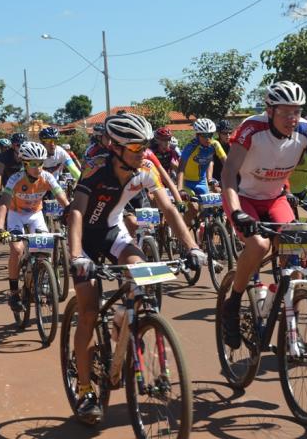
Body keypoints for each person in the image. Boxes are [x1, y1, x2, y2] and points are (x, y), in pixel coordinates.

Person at [67, 112, 205, 424]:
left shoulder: (144, 168)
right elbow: (76, 211)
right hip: (85, 240)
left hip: (113, 232)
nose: (141, 152)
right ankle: (86, 388)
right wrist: (77, 256)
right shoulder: (95, 168)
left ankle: (124, 322)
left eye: (143, 146)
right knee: (88, 311)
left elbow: (167, 207)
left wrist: (192, 246)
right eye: (133, 148)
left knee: (139, 275)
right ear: (114, 147)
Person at [219, 80, 307, 349]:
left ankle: (285, 310)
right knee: (259, 244)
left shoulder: (305, 131)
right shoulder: (252, 128)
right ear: (270, 110)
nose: (292, 118)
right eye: (285, 112)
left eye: (296, 111)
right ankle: (234, 301)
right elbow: (228, 173)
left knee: (297, 255)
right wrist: (237, 212)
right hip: (245, 198)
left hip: (275, 198)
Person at [0, 142, 69, 311]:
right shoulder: (15, 179)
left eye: (41, 163)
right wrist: (0, 228)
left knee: (43, 249)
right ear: (25, 164)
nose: (38, 167)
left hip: (36, 214)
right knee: (17, 249)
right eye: (34, 164)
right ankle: (14, 293)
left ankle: (43, 278)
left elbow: (62, 199)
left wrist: (71, 214)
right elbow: (4, 203)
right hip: (16, 215)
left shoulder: (47, 177)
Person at [178, 118, 227, 224]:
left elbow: (227, 164)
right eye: (204, 135)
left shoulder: (215, 145)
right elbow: (180, 169)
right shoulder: (190, 147)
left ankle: (207, 232)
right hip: (187, 183)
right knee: (194, 209)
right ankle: (181, 233)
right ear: (197, 135)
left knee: (210, 209)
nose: (207, 138)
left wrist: (228, 182)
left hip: (201, 182)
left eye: (210, 135)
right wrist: (180, 189)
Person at [211, 119, 233, 189]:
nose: (228, 135)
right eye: (224, 133)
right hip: (215, 179)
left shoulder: (233, 145)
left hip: (229, 178)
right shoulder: (213, 145)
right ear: (219, 133)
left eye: (230, 132)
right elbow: (209, 164)